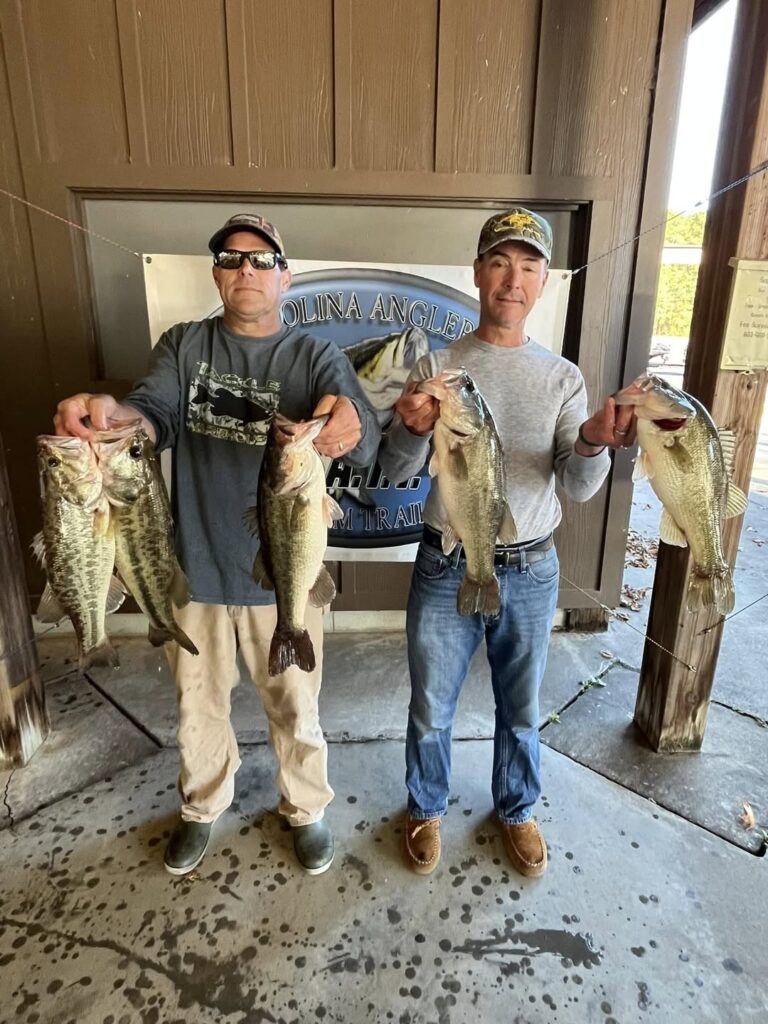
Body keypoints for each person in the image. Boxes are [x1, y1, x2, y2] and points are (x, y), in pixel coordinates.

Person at [55, 213, 380, 877]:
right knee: (196, 707)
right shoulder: (185, 345)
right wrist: (116, 420)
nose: (246, 271)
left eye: (262, 261)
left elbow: (358, 421)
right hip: (194, 570)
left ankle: (307, 807)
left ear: (285, 277)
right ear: (216, 275)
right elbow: (154, 414)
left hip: (280, 575)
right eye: (232, 259)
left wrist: (349, 421)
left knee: (297, 703)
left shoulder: (312, 354)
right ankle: (202, 807)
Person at [378, 208, 636, 878]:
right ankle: (425, 806)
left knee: (520, 709)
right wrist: (409, 429)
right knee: (431, 707)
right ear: (477, 273)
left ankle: (517, 809)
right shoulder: (438, 364)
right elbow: (401, 471)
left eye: (527, 265)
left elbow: (577, 486)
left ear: (543, 281)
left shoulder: (562, 378)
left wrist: (595, 441)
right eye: (499, 261)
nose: (512, 278)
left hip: (529, 569)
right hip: (444, 562)